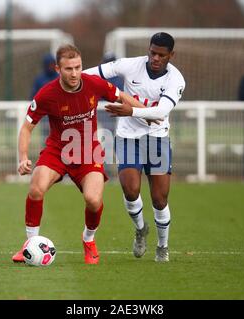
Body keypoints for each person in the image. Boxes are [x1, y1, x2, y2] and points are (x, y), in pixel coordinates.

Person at [12, 44, 152, 265]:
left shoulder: (94, 84)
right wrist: (23, 158)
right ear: (58, 69)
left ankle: (89, 240)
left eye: (78, 67)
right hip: (57, 151)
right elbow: (27, 127)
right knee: (36, 188)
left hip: (89, 152)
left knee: (93, 200)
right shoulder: (47, 93)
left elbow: (121, 96)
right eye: (69, 69)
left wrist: (146, 114)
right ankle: (30, 244)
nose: (75, 73)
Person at [84, 32, 186, 262]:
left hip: (157, 137)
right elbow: (96, 73)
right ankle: (141, 229)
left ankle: (163, 245)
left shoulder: (176, 79)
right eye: (152, 53)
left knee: (159, 199)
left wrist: (131, 111)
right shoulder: (131, 65)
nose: (155, 58)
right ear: (148, 50)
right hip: (128, 136)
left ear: (171, 55)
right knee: (130, 190)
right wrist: (72, 77)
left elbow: (160, 113)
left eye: (161, 55)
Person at [30, 54, 59, 143]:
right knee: (46, 135)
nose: (51, 66)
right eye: (49, 64)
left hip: (59, 111)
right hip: (44, 113)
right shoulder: (39, 79)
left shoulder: (60, 78)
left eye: (52, 64)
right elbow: (33, 96)